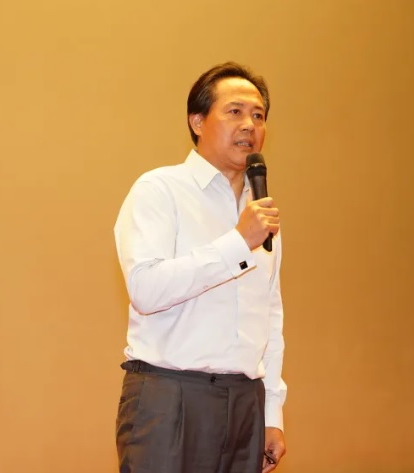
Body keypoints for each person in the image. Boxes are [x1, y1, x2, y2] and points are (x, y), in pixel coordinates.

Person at [114, 62, 287, 473]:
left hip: (246, 402)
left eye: (258, 115)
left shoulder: (259, 212)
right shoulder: (160, 190)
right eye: (235, 112)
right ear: (197, 121)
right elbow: (146, 290)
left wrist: (272, 413)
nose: (249, 125)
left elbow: (270, 316)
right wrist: (237, 243)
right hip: (170, 396)